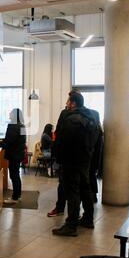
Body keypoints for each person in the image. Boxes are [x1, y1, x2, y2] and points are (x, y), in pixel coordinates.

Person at [51, 92, 100, 236]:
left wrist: (58, 158)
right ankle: (88, 219)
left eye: (68, 101)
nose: (66, 104)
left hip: (70, 161)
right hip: (85, 160)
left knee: (72, 191)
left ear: (73, 103)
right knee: (86, 189)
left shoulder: (71, 119)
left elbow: (63, 142)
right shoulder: (91, 117)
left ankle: (71, 225)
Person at [0, 108, 26, 204]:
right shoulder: (22, 125)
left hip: (14, 154)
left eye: (11, 112)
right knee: (16, 175)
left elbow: (9, 140)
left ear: (14, 115)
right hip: (19, 154)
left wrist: (0, 145)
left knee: (14, 176)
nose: (9, 113)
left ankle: (14, 198)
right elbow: (20, 140)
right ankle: (17, 196)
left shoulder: (13, 126)